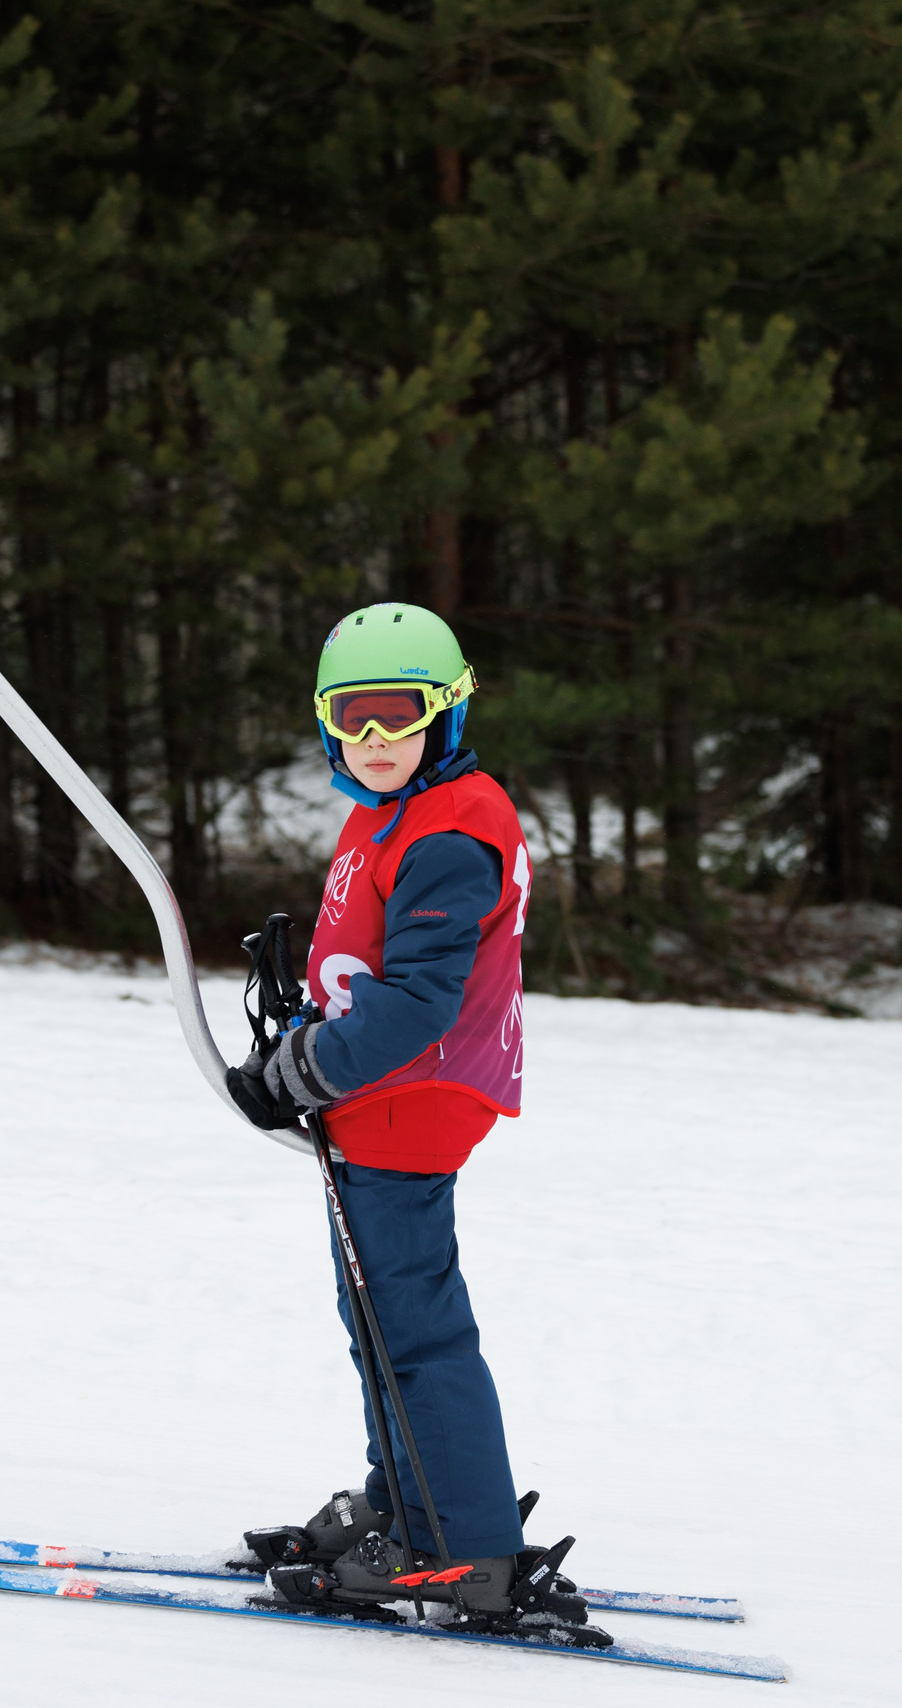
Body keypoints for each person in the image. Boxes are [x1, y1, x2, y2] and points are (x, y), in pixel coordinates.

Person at [226, 602, 582, 1629]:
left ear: (447, 713)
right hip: (375, 1098)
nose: (376, 737)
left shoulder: (451, 828)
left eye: (400, 713)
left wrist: (304, 1070)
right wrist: (302, 1039)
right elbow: (368, 964)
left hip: (409, 1101)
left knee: (414, 1329)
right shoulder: (394, 810)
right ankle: (407, 1502)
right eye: (353, 716)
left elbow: (422, 999)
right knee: (380, 1320)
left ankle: (464, 1550)